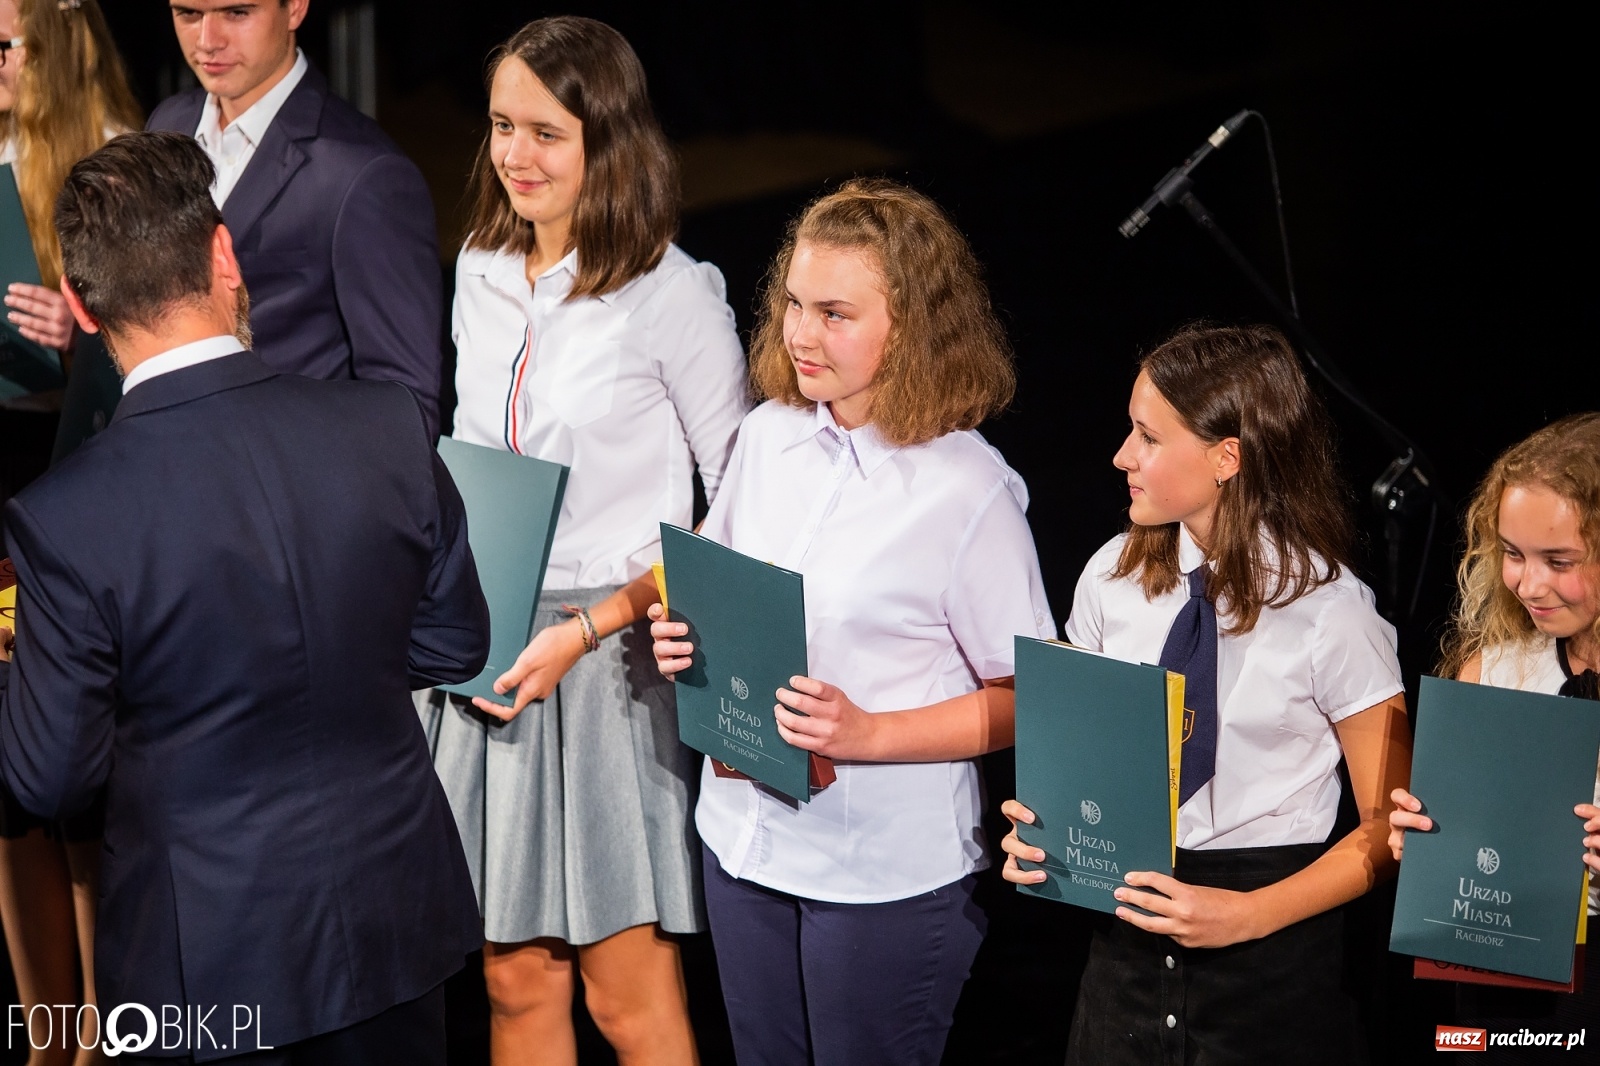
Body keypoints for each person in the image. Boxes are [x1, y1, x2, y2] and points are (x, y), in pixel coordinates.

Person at [0, 131, 490, 1064]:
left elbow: (49, 778)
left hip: (204, 970)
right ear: (224, 255)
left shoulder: (64, 520)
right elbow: (455, 642)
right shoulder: (385, 426)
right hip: (397, 928)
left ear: (82, 308)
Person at [650, 177, 1055, 1066]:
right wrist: (685, 639)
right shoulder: (766, 439)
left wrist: (869, 732)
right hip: (741, 846)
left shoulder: (968, 491)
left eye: (835, 313)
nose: (800, 333)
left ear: (910, 326)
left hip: (880, 875)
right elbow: (714, 593)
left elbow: (1029, 700)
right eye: (794, 304)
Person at [417, 16, 747, 1065]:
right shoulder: (476, 266)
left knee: (625, 995)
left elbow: (739, 508)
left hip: (607, 661)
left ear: (608, 141)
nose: (516, 155)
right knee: (514, 986)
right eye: (502, 127)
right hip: (487, 647)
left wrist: (595, 623)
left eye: (546, 133)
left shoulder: (670, 293)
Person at [1000, 323, 1413, 1064]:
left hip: (1272, 968)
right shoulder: (1109, 579)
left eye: (1148, 438)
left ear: (1228, 457)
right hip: (1123, 958)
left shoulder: (1332, 611)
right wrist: (1042, 835)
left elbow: (1393, 828)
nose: (1122, 456)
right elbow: (1081, 768)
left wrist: (1248, 915)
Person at [0, 3, 139, 1061]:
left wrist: (74, 334)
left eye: (7, 44)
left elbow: (164, 343)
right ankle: (48, 1029)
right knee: (8, 792)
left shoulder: (104, 172)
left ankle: (109, 1025)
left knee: (78, 783)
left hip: (69, 480)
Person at [1388, 413, 1600, 1060]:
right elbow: (1462, 840)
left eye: (1558, 561)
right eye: (1512, 554)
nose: (1528, 584)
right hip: (1499, 984)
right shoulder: (1496, 669)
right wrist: (1424, 838)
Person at [148, 0, 446, 437]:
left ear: (296, 9)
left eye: (236, 13)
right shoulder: (168, 123)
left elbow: (406, 404)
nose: (208, 41)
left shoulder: (366, 175)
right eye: (188, 14)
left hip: (281, 487)